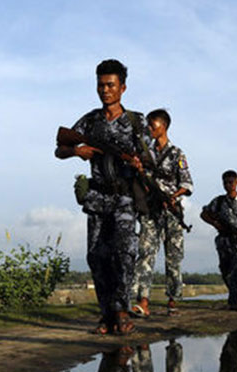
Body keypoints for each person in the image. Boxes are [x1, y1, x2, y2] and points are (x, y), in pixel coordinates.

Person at [55, 59, 148, 335]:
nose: (105, 90)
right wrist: (77, 151)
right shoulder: (90, 121)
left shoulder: (136, 121)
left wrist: (139, 163)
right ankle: (107, 315)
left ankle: (121, 311)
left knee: (125, 253)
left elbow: (149, 158)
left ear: (123, 88)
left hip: (125, 198)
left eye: (110, 85)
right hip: (97, 197)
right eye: (100, 85)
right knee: (97, 257)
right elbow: (59, 148)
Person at [131, 109, 193, 318]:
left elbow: (187, 183)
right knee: (145, 253)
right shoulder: (144, 153)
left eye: (153, 125)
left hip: (172, 212)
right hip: (150, 210)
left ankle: (173, 298)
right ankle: (143, 301)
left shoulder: (177, 154)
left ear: (163, 126)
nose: (149, 129)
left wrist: (173, 197)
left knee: (173, 258)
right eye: (148, 125)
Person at [201, 170, 237, 311]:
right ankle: (236, 296)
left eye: (231, 182)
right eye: (226, 183)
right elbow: (204, 214)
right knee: (225, 269)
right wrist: (215, 223)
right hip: (224, 239)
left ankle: (235, 300)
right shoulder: (218, 201)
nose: (229, 185)